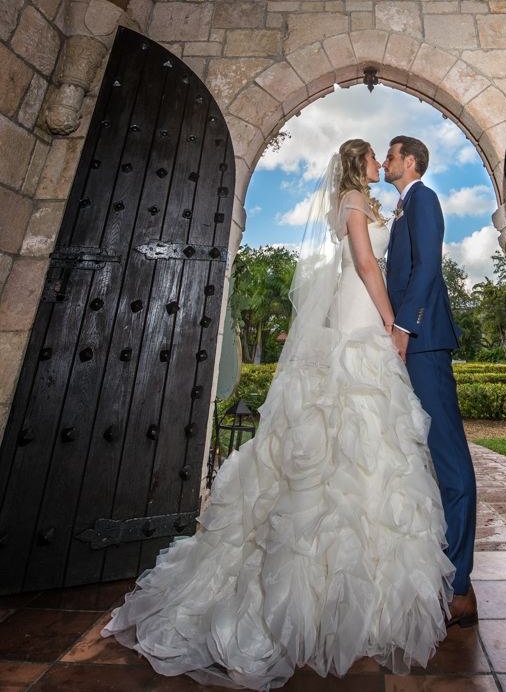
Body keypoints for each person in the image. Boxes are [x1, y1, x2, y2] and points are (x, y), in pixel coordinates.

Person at [102, 139, 454, 689]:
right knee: (351, 425)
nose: (380, 165)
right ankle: (328, 595)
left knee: (362, 433)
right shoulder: (353, 202)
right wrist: (392, 323)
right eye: (373, 158)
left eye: (386, 158)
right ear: (359, 162)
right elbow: (366, 263)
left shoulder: (375, 203)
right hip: (362, 314)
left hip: (360, 309)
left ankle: (360, 588)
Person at [383, 136, 478, 628]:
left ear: (411, 160)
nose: (384, 162)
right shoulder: (402, 206)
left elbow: (428, 269)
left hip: (422, 342)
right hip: (407, 341)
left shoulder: (424, 198)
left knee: (451, 462)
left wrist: (404, 327)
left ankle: (460, 586)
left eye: (391, 155)